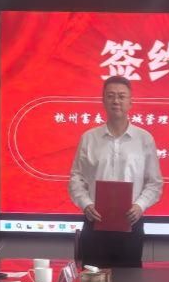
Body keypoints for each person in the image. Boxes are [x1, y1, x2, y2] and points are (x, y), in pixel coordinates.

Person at [69, 76, 163, 268]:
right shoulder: (89, 138)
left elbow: (154, 183)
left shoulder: (144, 139)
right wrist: (86, 204)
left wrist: (140, 206)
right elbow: (76, 178)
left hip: (131, 224)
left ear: (130, 102)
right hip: (95, 223)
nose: (116, 101)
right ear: (103, 100)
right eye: (110, 96)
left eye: (121, 96)